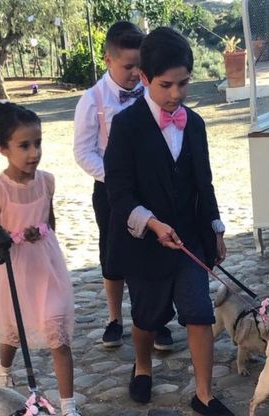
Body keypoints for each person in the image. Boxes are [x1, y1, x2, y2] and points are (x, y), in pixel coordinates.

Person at [104, 27, 233, 415]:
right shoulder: (125, 127)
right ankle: (142, 365)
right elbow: (119, 195)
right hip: (146, 243)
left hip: (190, 237)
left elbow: (203, 183)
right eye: (166, 85)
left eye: (183, 83)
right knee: (147, 317)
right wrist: (154, 224)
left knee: (199, 312)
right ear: (144, 79)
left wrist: (215, 229)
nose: (176, 94)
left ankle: (204, 394)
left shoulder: (194, 124)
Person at [0, 101, 80, 416]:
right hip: (13, 268)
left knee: (57, 332)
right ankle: (4, 367)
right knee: (12, 329)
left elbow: (50, 221)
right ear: (4, 148)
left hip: (46, 266)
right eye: (25, 146)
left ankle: (68, 406)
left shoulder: (47, 181)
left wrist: (41, 235)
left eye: (38, 143)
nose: (34, 152)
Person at [73, 21, 173, 349]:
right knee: (114, 255)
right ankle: (115, 317)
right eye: (128, 66)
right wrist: (115, 177)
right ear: (108, 61)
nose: (135, 73)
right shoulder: (92, 99)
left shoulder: (150, 93)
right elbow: (83, 151)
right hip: (111, 191)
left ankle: (157, 318)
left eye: (139, 66)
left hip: (151, 186)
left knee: (154, 252)